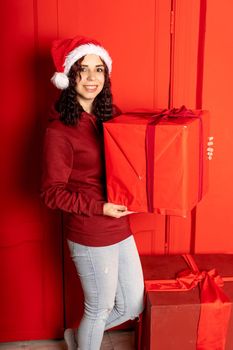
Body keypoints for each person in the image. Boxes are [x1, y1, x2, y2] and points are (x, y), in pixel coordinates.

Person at [41, 36, 145, 350]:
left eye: (98, 70)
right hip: (89, 231)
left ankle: (77, 337)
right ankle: (86, 339)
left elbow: (142, 156)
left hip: (120, 227)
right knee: (98, 309)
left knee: (132, 305)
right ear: (69, 77)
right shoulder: (58, 131)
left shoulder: (112, 116)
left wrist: (198, 151)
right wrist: (101, 208)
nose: (91, 78)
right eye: (82, 70)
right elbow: (51, 193)